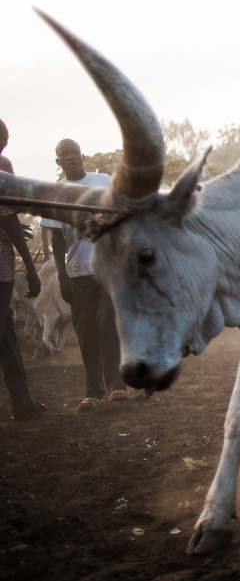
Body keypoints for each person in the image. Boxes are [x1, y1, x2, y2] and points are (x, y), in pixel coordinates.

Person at [40, 139, 128, 411]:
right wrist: (63, 276)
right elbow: (56, 238)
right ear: (58, 162)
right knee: (85, 331)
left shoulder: (102, 181)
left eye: (74, 153)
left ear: (83, 156)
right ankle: (93, 391)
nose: (70, 158)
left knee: (108, 324)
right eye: (63, 155)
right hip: (77, 272)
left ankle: (117, 386)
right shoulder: (55, 192)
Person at [0, 119, 45, 420]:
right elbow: (8, 218)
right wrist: (30, 268)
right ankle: (22, 401)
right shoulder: (2, 165)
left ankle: (22, 401)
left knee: (7, 334)